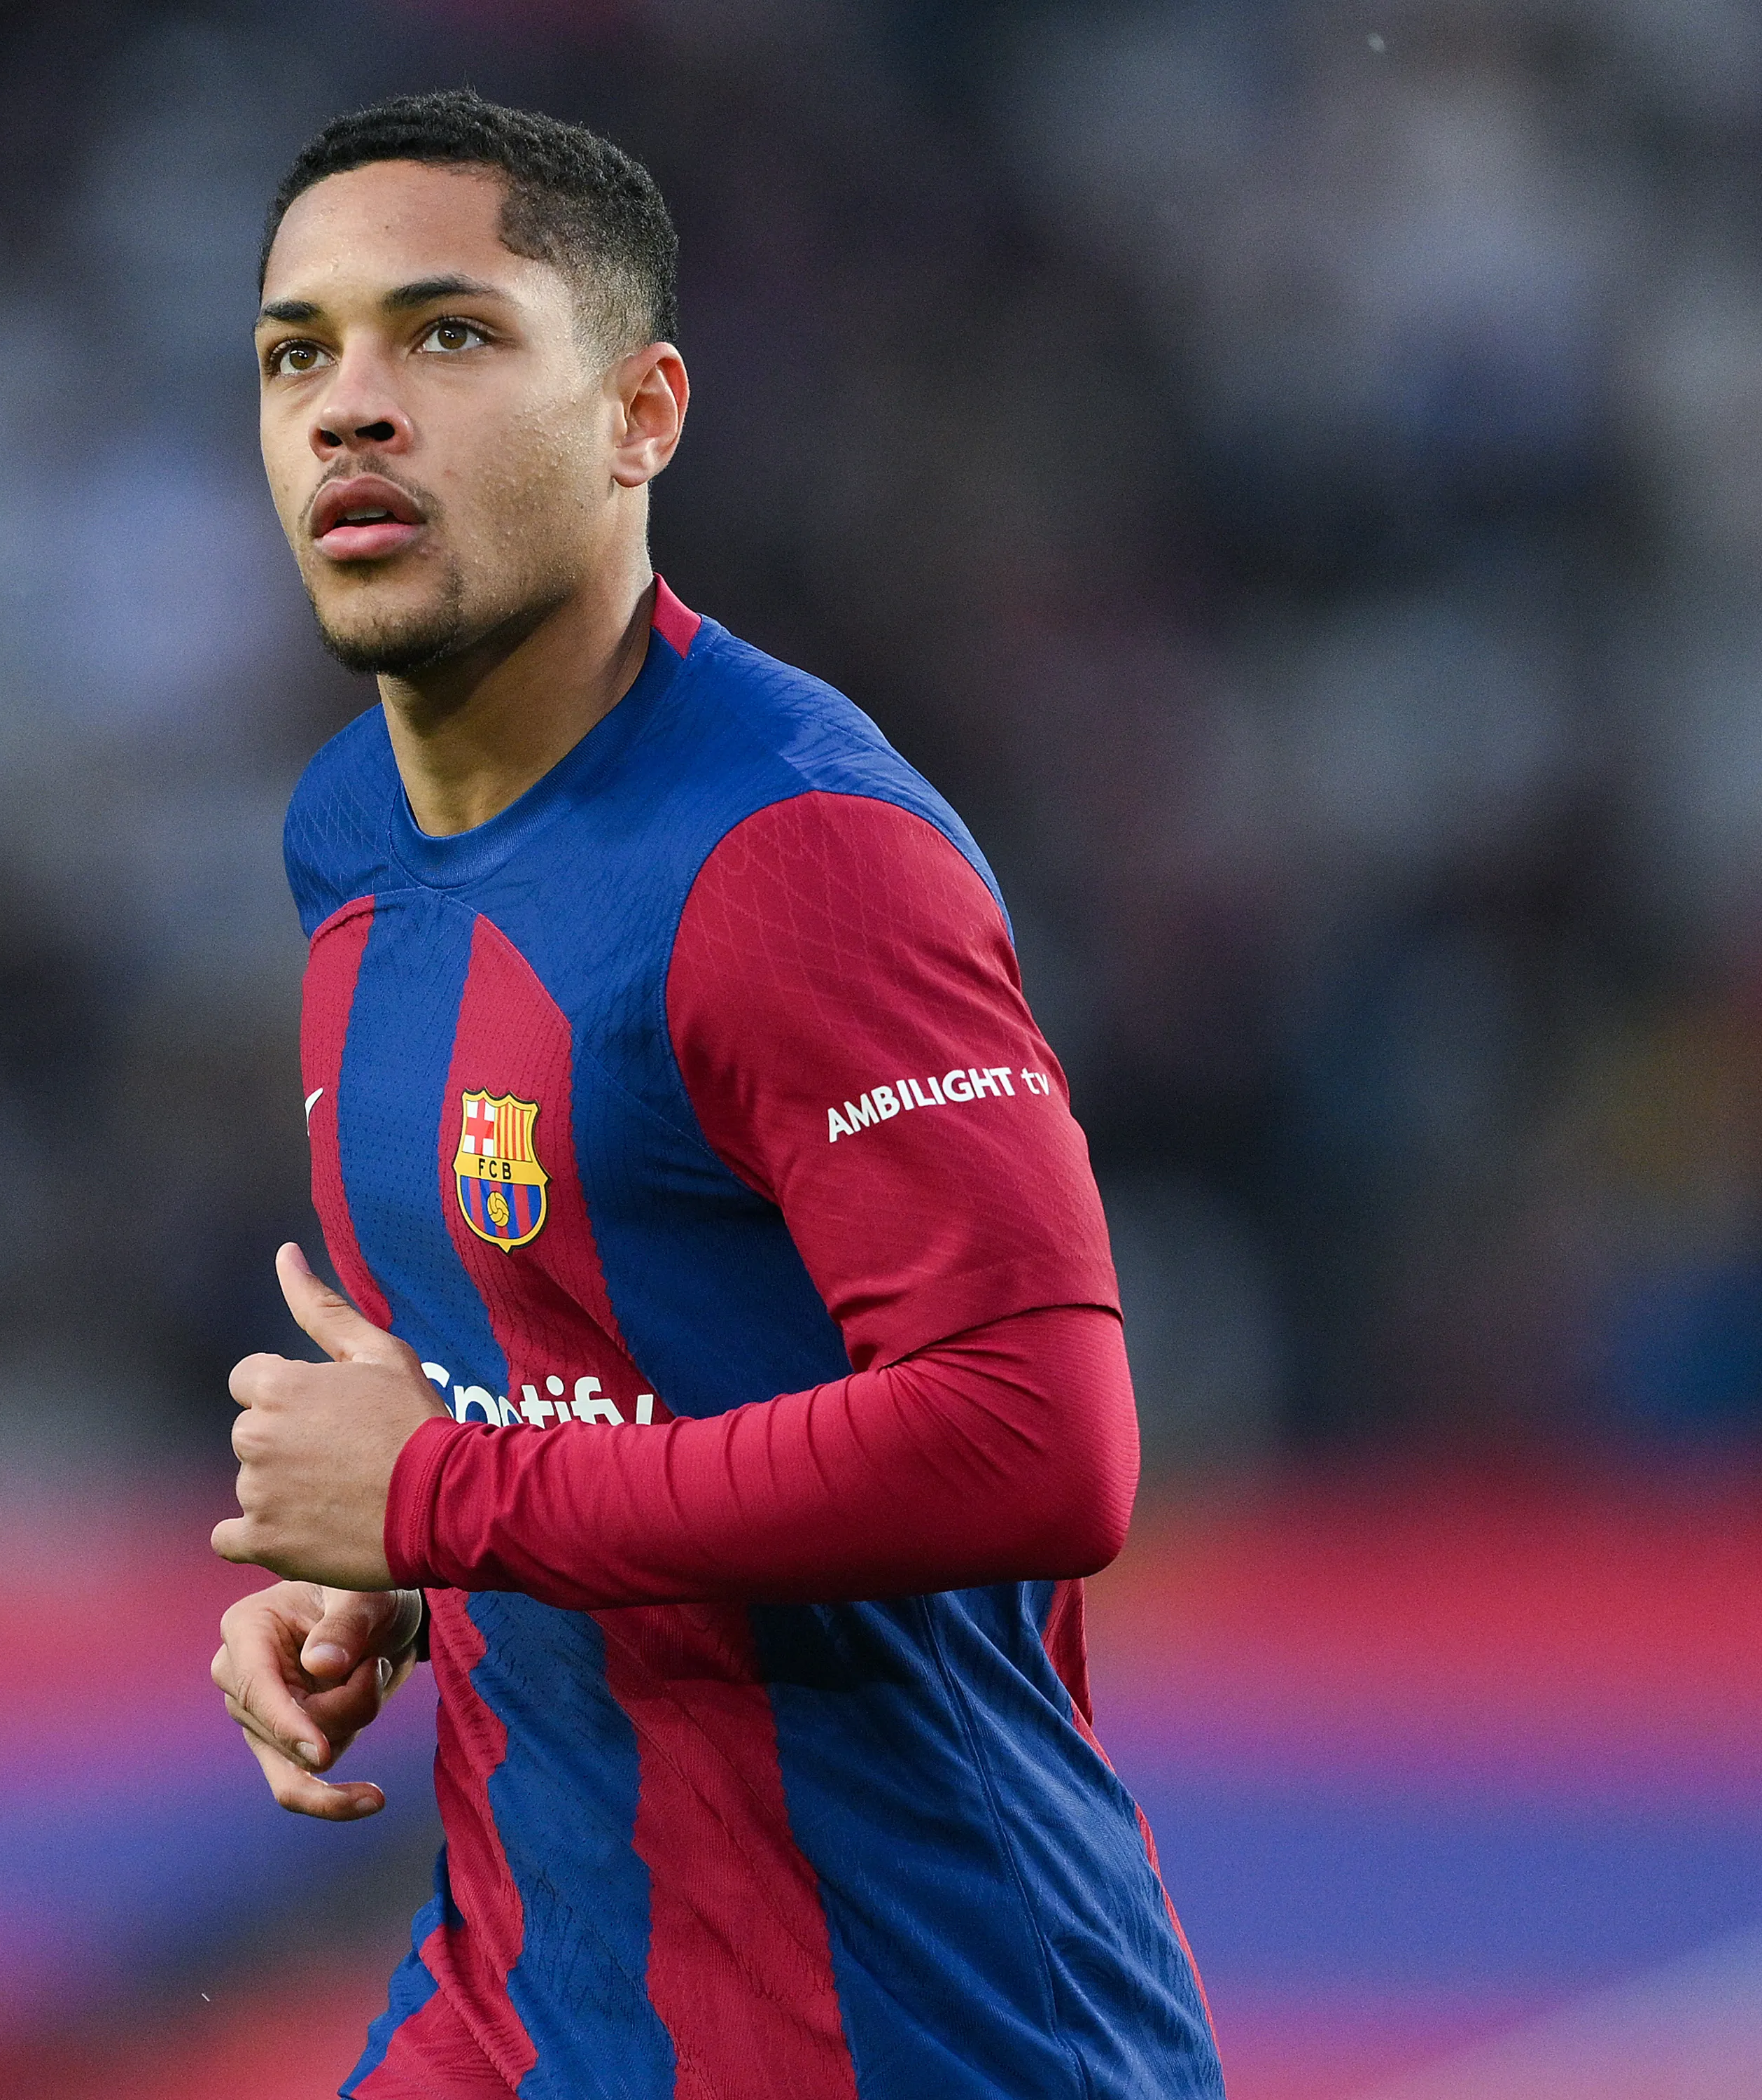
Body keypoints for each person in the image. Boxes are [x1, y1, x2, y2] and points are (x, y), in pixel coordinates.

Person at [208, 89, 1226, 2100]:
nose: (352, 406)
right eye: (297, 352)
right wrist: (384, 1574)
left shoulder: (801, 856)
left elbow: (1041, 1444)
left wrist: (442, 1497)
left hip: (919, 2034)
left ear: (640, 414)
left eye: (450, 333)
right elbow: (555, 1376)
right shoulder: (348, 838)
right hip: (524, 2004)